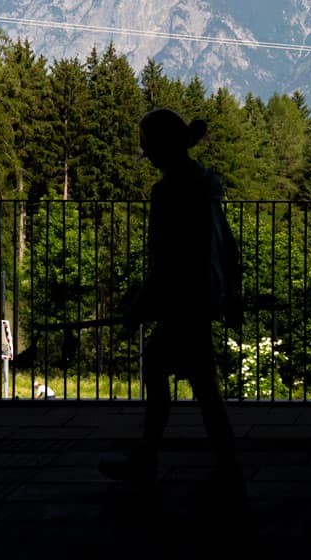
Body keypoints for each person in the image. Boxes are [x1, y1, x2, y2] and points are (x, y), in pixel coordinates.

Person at [100, 107, 244, 495]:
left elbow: (166, 259)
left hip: (184, 299)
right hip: (202, 296)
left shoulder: (168, 193)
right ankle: (216, 463)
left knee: (184, 376)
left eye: (146, 145)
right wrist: (231, 291)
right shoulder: (204, 184)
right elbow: (224, 243)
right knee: (192, 378)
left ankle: (161, 460)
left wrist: (140, 307)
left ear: (159, 148)